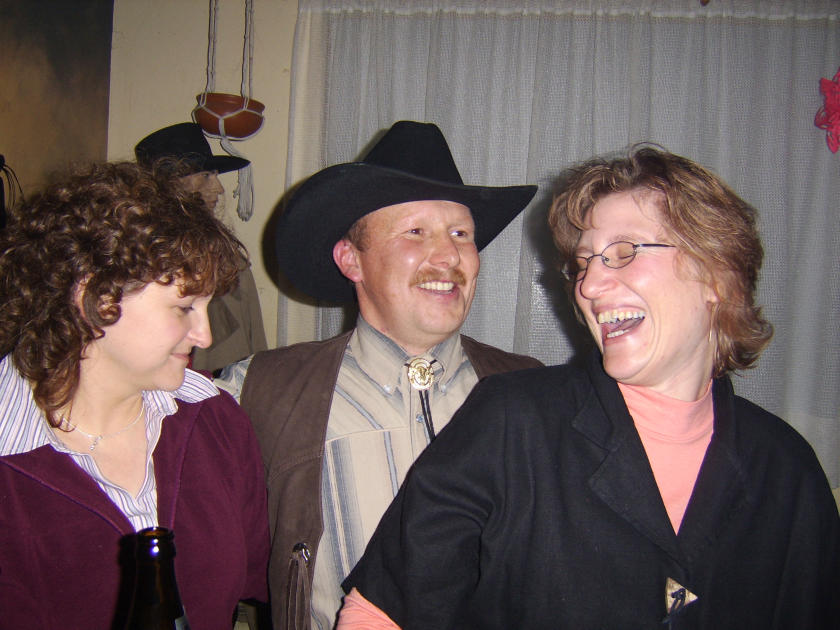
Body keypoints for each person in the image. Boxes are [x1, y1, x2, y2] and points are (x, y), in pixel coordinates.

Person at [338, 146, 840, 629]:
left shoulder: (787, 469)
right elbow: (381, 614)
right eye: (583, 264)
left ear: (717, 276)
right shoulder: (513, 422)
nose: (589, 286)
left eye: (623, 252)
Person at [218, 120, 543, 629]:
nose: (449, 255)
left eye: (461, 234)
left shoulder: (532, 392)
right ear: (352, 260)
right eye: (416, 231)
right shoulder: (256, 391)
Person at [0, 161, 270, 629]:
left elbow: (259, 578)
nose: (205, 335)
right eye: (184, 307)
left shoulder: (214, 419)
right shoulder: (11, 457)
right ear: (96, 299)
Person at [135, 121, 267, 374]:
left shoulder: (223, 251)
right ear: (172, 185)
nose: (218, 188)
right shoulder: (156, 259)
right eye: (206, 176)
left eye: (215, 176)